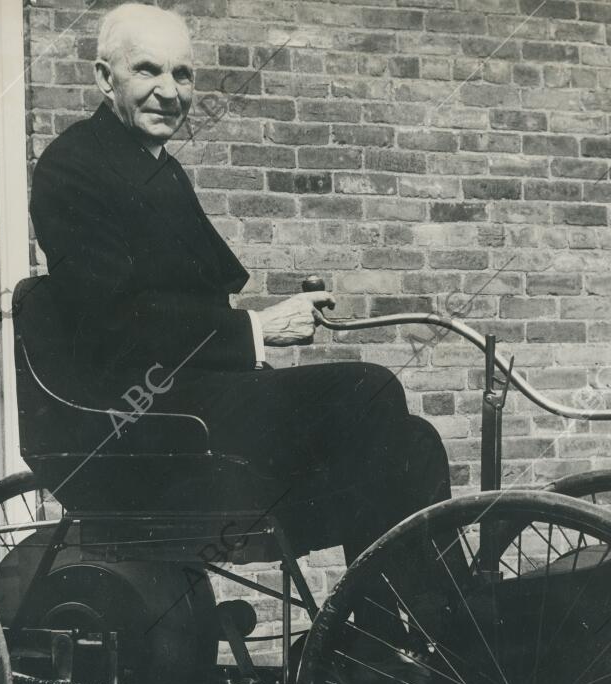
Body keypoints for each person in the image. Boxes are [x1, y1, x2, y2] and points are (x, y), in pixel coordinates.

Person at [23, 2, 450, 568]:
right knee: (368, 389)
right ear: (106, 78)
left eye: (182, 74)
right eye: (147, 70)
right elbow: (113, 323)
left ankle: (430, 614)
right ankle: (389, 615)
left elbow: (181, 305)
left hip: (192, 403)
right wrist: (256, 328)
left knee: (414, 443)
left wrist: (251, 339)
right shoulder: (74, 166)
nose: (169, 92)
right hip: (138, 422)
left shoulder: (157, 166)